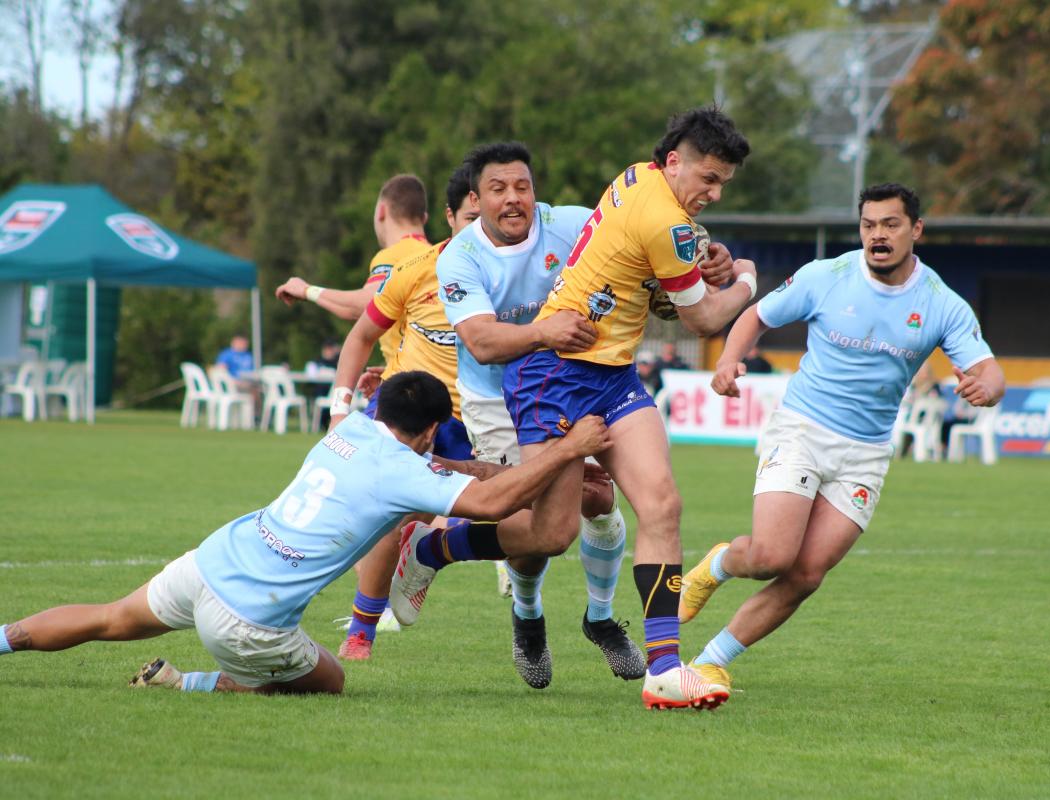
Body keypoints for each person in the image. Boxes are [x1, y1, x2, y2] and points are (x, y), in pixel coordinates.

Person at [0, 372, 612, 695]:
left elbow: (459, 470)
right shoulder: (404, 472)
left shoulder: (346, 429)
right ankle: (185, 682)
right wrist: (571, 448)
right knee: (330, 681)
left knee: (109, 618)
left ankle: (5, 638)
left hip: (214, 559)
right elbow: (493, 501)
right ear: (428, 432)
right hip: (251, 619)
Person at [678, 182, 1005, 704]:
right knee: (770, 557)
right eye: (869, 224)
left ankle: (711, 664)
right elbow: (758, 315)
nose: (878, 235)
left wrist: (987, 386)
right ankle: (719, 564)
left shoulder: (941, 303)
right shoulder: (825, 276)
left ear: (915, 230)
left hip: (866, 453)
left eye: (891, 224)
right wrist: (726, 360)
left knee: (806, 574)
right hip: (803, 429)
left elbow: (987, 367)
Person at [503, 106, 757, 710]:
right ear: (675, 162)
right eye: (709, 179)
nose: (714, 194)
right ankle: (435, 545)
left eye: (724, 184)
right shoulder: (663, 217)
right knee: (552, 532)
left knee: (662, 503)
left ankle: (664, 668)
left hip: (612, 374)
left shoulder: (637, 175)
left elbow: (655, 279)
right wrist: (744, 278)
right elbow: (699, 317)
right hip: (554, 374)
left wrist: (703, 262)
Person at [434, 141, 643, 689]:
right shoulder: (459, 257)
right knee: (537, 530)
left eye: (522, 187)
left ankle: (599, 620)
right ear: (476, 200)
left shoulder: (570, 224)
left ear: (535, 192)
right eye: (498, 189)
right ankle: (527, 615)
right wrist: (541, 333)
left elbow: (641, 235)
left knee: (599, 499)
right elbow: (480, 342)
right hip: (497, 401)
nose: (513, 199)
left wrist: (703, 256)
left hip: (579, 383)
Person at [323, 166, 479, 660]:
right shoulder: (415, 269)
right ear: (449, 218)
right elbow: (362, 331)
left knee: (528, 530)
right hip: (406, 409)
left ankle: (429, 553)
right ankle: (360, 633)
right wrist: (338, 409)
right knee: (372, 511)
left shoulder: (519, 275)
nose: (482, 228)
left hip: (473, 420)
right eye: (472, 217)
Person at [274, 173, 432, 357]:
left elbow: (367, 305)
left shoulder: (392, 256)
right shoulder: (436, 256)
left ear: (381, 211)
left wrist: (307, 290)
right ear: (425, 218)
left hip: (410, 381)